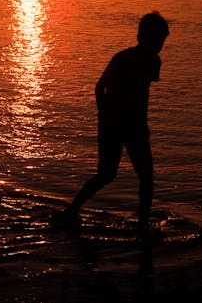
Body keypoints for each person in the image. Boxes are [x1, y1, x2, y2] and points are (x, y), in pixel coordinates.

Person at [59, 12, 169, 231]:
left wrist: (143, 125)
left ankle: (143, 224)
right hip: (113, 123)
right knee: (107, 174)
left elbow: (142, 94)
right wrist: (104, 115)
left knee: (146, 176)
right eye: (156, 40)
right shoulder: (123, 58)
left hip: (137, 126)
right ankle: (71, 211)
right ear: (141, 37)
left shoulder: (155, 61)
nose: (159, 46)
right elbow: (100, 86)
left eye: (162, 41)